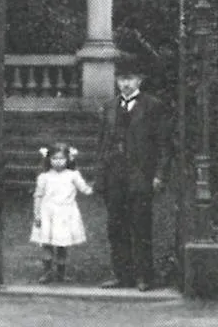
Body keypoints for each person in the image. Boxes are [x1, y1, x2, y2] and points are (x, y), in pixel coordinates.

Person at [95, 59, 174, 290]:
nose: (125, 84)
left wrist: (160, 174)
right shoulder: (109, 107)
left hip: (141, 174)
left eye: (130, 79)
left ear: (139, 80)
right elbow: (102, 144)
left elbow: (164, 145)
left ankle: (144, 277)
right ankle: (122, 275)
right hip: (114, 175)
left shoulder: (153, 106)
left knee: (140, 225)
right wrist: (101, 176)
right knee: (115, 226)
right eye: (121, 79)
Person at [30, 144, 93, 283]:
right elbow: (38, 195)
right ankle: (47, 273)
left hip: (65, 214)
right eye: (54, 158)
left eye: (61, 158)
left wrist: (95, 188)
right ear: (49, 159)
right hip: (48, 213)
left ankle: (61, 273)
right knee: (46, 243)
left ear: (68, 159)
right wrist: (37, 214)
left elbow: (85, 188)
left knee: (62, 244)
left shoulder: (73, 175)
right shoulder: (44, 177)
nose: (58, 161)